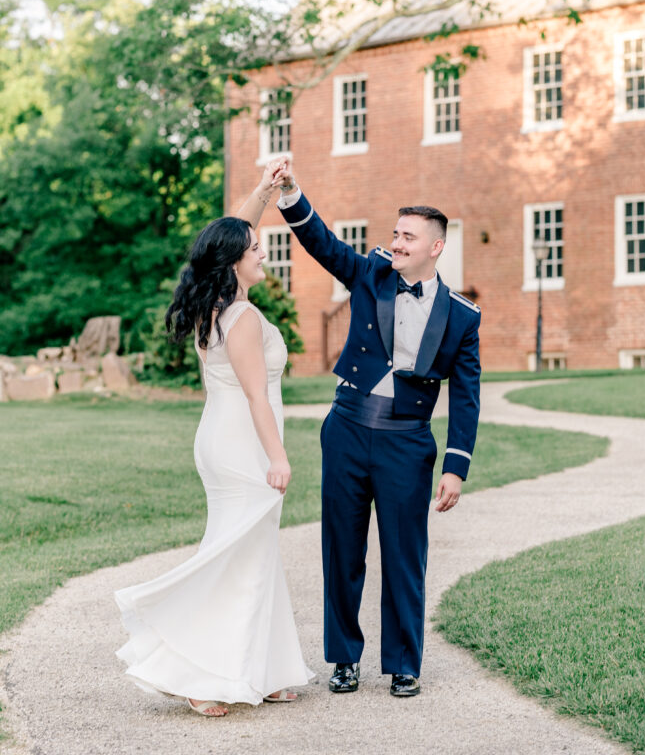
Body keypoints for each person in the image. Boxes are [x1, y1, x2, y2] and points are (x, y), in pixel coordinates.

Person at [114, 162, 312, 717]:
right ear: (234, 263)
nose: (263, 252)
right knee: (238, 560)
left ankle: (264, 670)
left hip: (221, 440)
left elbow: (227, 235)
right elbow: (256, 396)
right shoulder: (242, 317)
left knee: (254, 555)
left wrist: (265, 193)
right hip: (243, 445)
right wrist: (278, 457)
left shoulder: (214, 306)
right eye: (255, 249)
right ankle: (199, 674)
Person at [276, 162, 480, 698]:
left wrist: (456, 467)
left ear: (436, 247)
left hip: (407, 441)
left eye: (408, 237)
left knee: (403, 554)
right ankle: (344, 660)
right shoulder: (371, 273)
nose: (396, 243)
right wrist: (292, 193)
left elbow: (466, 396)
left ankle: (404, 663)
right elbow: (323, 245)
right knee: (342, 549)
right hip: (345, 429)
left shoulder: (462, 316)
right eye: (395, 233)